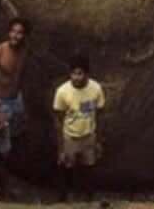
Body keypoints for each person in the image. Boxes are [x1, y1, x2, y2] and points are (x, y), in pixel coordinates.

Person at [0, 17, 31, 194]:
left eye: (19, 33)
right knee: (2, 145)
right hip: (0, 103)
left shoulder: (25, 51)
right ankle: (1, 184)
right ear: (8, 32)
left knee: (14, 137)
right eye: (13, 31)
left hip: (16, 101)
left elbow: (21, 76)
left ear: (24, 36)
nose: (15, 35)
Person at [53, 53, 106, 202]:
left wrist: (98, 140)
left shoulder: (96, 89)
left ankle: (88, 196)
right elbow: (57, 120)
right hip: (70, 136)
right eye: (73, 73)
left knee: (89, 167)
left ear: (87, 74)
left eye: (80, 73)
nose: (76, 77)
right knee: (66, 166)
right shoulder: (62, 91)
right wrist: (61, 147)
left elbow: (100, 115)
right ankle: (64, 197)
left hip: (89, 136)